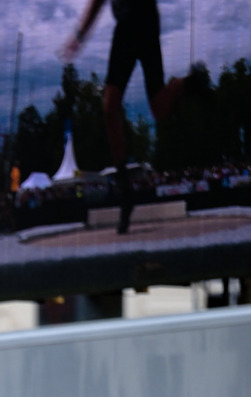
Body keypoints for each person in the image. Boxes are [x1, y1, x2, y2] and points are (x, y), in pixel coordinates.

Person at [61, 0, 204, 233]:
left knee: (160, 111)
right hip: (125, 31)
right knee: (109, 107)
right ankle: (126, 190)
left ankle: (186, 83)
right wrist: (79, 35)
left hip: (145, 21)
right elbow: (96, 4)